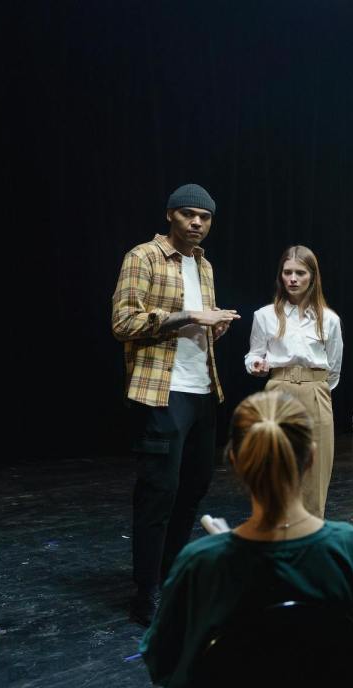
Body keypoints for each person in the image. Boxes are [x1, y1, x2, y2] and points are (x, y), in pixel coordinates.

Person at [140, 390, 353, 688]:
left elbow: (162, 662)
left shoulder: (202, 560)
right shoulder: (349, 547)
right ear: (311, 459)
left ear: (234, 461)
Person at [111, 184, 240, 626]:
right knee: (157, 495)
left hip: (203, 391)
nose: (197, 223)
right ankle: (144, 591)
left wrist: (214, 327)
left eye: (205, 218)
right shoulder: (142, 257)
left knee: (194, 489)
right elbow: (123, 322)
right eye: (188, 215)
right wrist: (189, 316)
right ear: (171, 215)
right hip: (161, 392)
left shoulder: (204, 266)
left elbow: (197, 328)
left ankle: (169, 576)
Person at [244, 245, 343, 516]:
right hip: (279, 389)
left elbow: (334, 366)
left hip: (316, 390)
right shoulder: (265, 316)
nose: (293, 279)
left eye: (300, 273)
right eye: (287, 272)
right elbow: (254, 353)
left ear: (312, 276)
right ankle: (274, 536)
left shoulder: (329, 320)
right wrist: (256, 364)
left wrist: (316, 388)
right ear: (280, 276)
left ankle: (309, 538)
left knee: (316, 471)